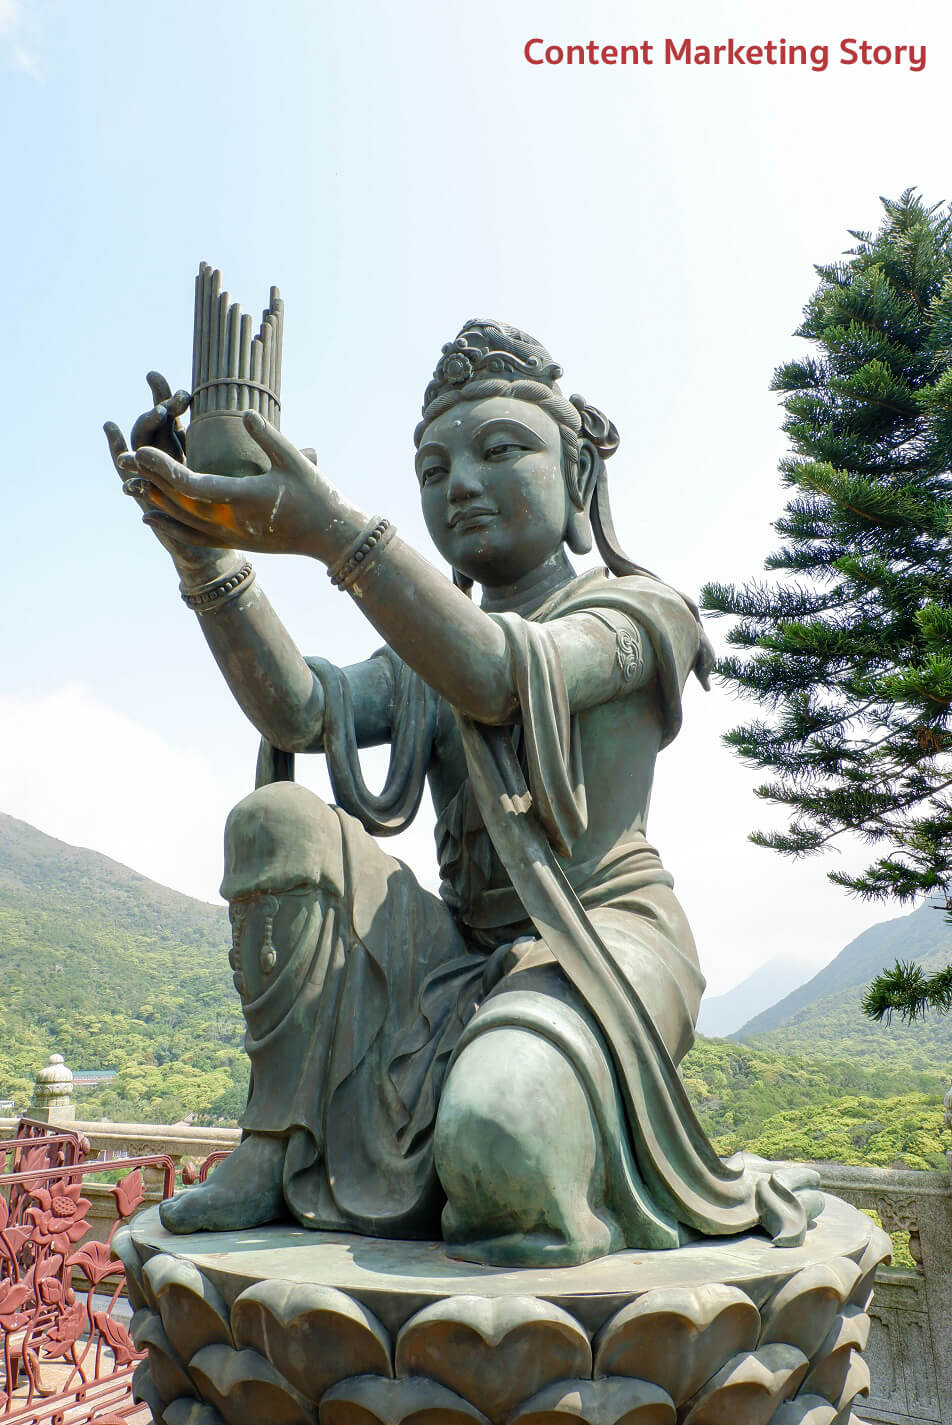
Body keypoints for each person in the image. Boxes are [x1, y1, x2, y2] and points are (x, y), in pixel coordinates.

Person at [105, 322, 820, 1266]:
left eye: (500, 450)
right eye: (434, 469)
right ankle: (275, 1142)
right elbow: (298, 709)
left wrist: (332, 530)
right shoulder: (424, 651)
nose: (461, 485)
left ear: (578, 476)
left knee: (499, 1138)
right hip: (454, 951)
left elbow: (497, 675)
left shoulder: (640, 614)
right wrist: (203, 553)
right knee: (276, 820)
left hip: (600, 938)